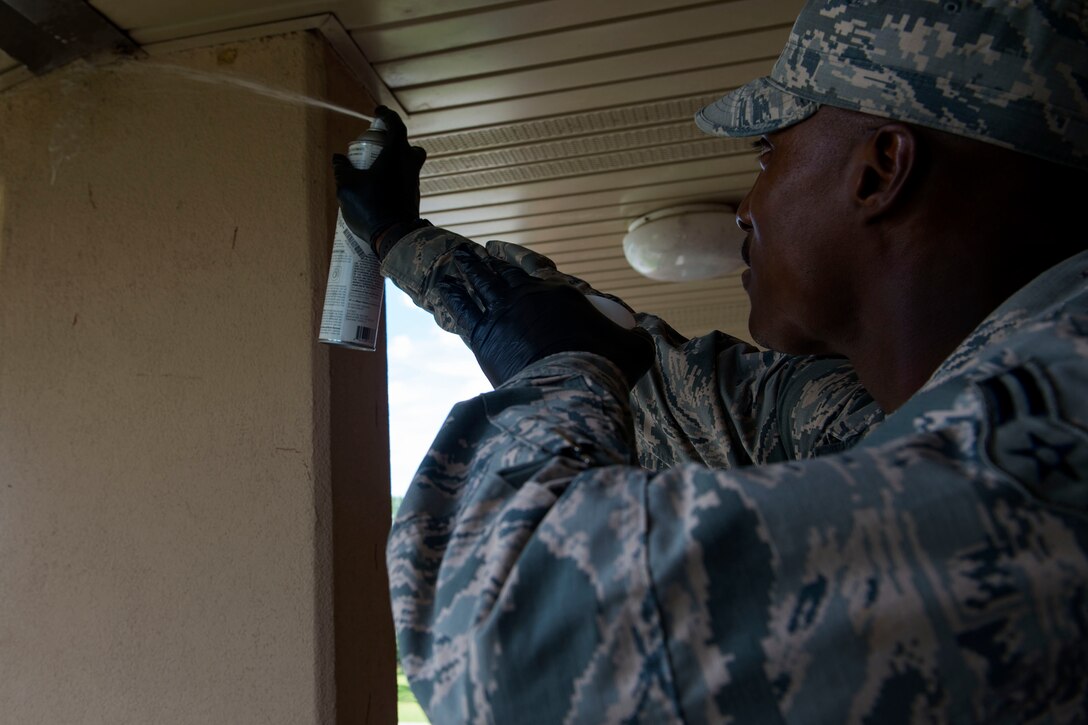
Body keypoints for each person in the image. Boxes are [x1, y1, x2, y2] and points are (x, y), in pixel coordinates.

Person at [334, 0, 1088, 722]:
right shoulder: (974, 389)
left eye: (770, 152)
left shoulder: (1042, 459)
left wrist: (553, 379)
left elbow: (515, 650)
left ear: (880, 169)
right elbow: (674, 387)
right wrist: (405, 241)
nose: (747, 207)